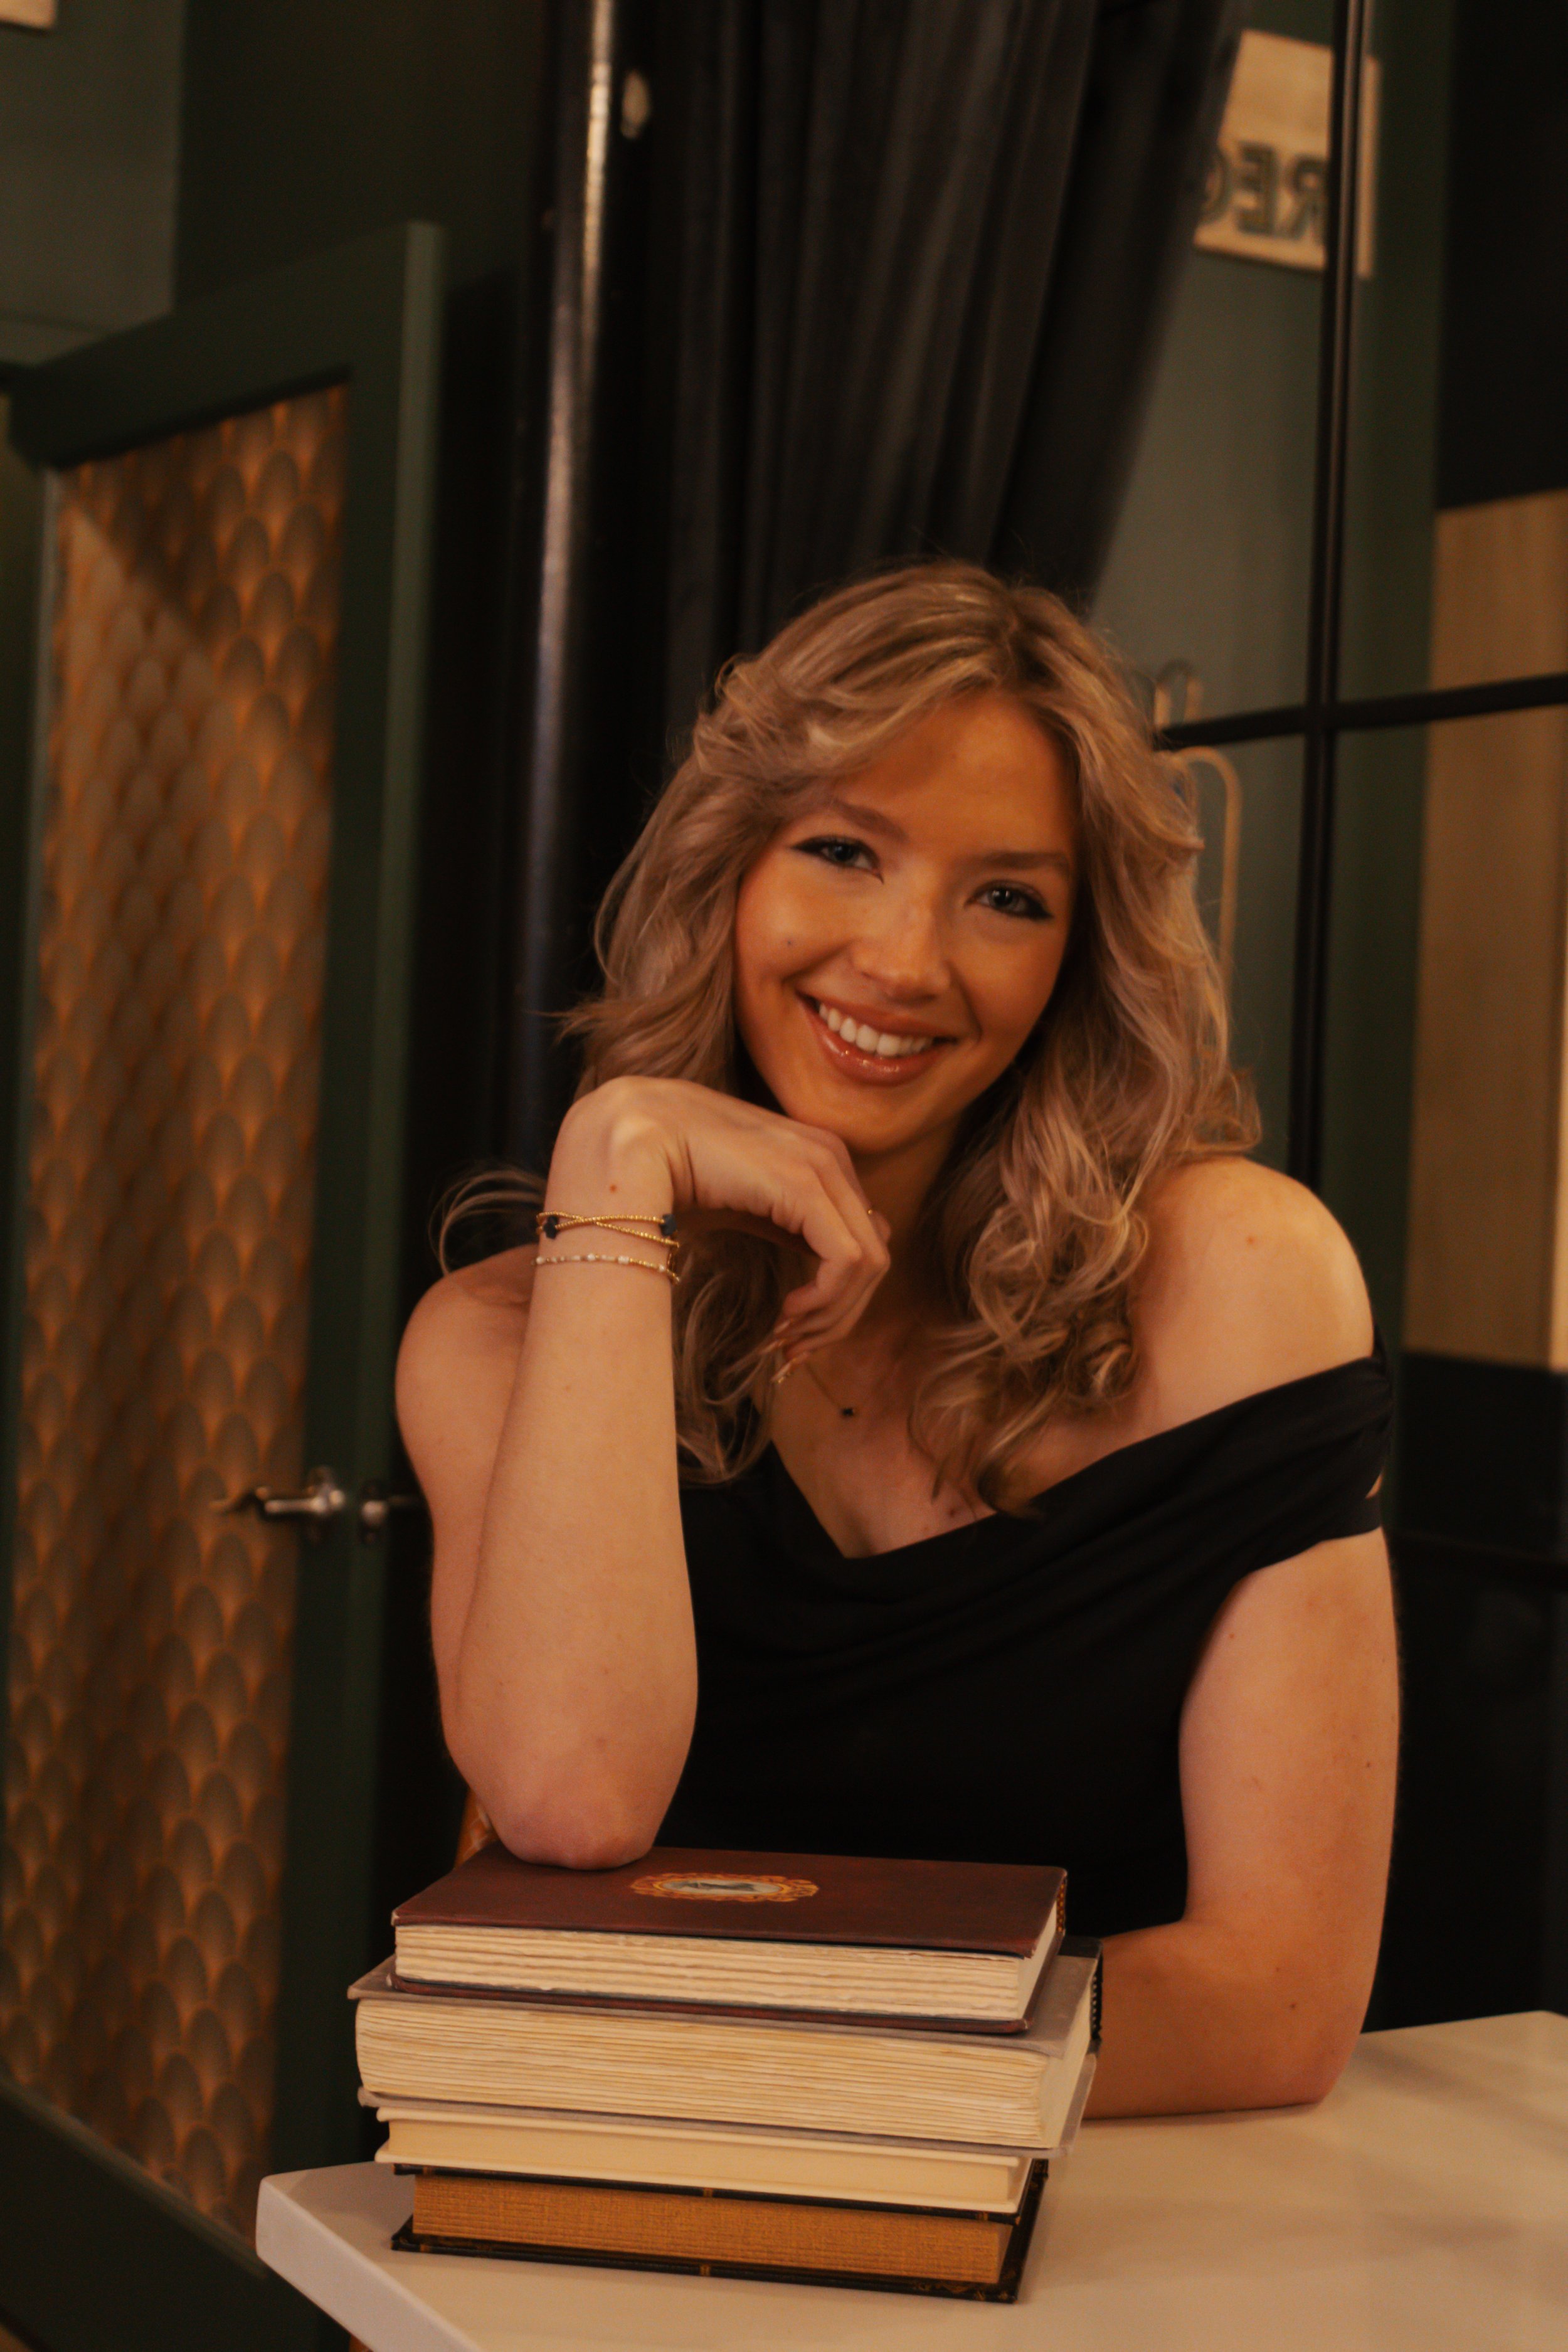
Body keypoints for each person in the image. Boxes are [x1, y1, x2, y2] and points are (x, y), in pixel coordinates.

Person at [396, 560, 1396, 2119]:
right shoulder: (498, 1342)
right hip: (625, 2222)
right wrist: (614, 1170)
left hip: (1105, 2242)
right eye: (843, 851)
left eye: (1007, 896)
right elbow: (573, 1800)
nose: (903, 961)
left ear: (1079, 955)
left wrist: (756, 2069)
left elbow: (1274, 2002)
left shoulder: (1244, 1283)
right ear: (727, 871)